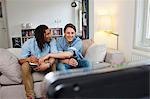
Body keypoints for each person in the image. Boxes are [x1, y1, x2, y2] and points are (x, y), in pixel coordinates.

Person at [18, 25, 57, 99]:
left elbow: (54, 55)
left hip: (46, 63)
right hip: (34, 65)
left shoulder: (52, 41)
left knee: (53, 63)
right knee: (24, 66)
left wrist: (47, 64)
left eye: (50, 33)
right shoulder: (29, 43)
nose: (50, 35)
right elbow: (20, 60)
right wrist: (28, 59)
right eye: (48, 34)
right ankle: (30, 96)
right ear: (41, 36)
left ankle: (51, 94)